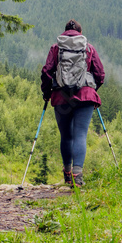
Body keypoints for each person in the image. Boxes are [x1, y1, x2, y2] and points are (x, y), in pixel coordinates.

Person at [41, 20, 105, 186]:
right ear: (80, 32)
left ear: (65, 32)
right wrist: (92, 88)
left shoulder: (56, 48)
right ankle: (78, 175)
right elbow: (100, 73)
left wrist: (46, 93)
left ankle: (67, 173)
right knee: (80, 134)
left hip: (61, 97)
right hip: (85, 96)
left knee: (66, 136)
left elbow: (47, 72)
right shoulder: (88, 48)